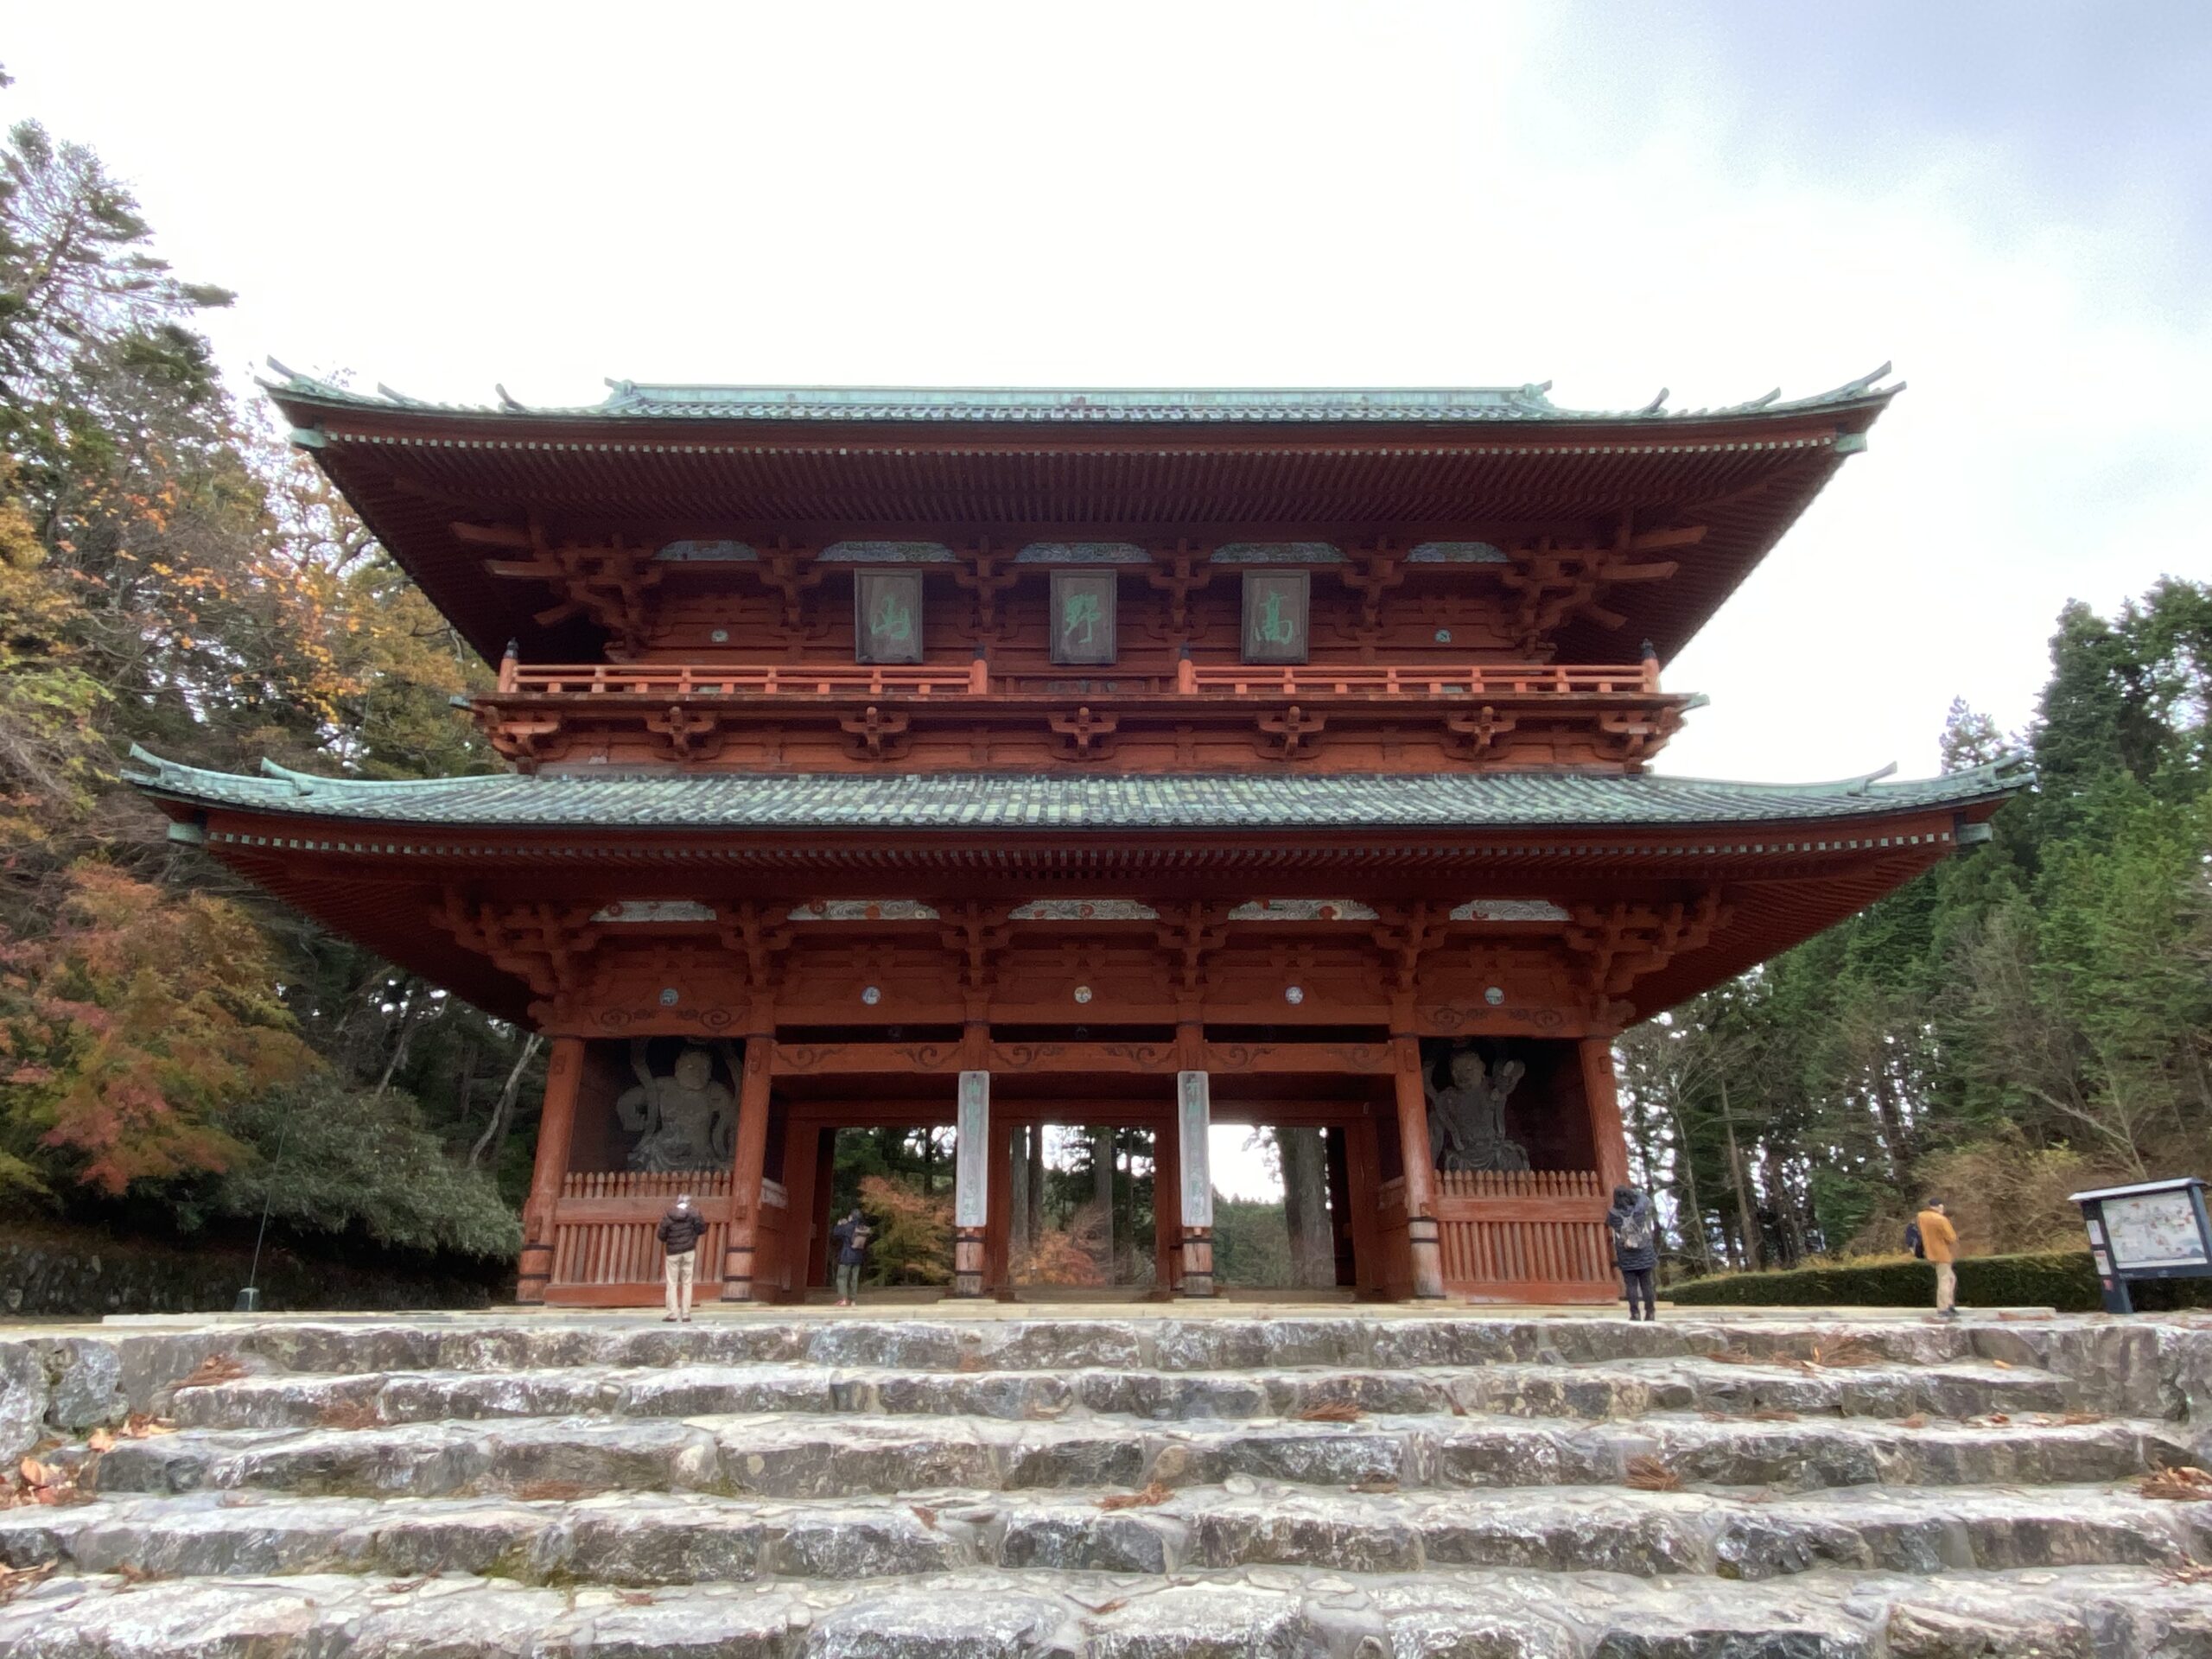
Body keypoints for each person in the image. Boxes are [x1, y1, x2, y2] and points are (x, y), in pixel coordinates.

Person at [1605, 1183, 1658, 1322]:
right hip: (1644, 1251)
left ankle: (1635, 1314)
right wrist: (1633, 1194)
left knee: (1631, 1285)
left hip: (1626, 1252)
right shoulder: (1639, 1210)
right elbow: (1644, 1198)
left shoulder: (1613, 1213)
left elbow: (1609, 1223)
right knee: (1646, 1284)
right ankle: (1650, 1313)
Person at [656, 1193, 707, 1323]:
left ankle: (672, 1314)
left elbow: (661, 1235)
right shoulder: (695, 1213)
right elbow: (701, 1229)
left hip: (673, 1252)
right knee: (687, 1282)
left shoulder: (668, 1215)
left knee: (672, 1283)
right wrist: (692, 1235)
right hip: (689, 1251)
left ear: (677, 1202)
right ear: (689, 1203)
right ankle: (686, 1314)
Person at [1916, 1198, 1961, 1319]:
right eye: (1942, 1208)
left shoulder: (1922, 1217)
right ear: (1939, 1207)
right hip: (1942, 1253)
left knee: (1951, 1278)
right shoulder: (1941, 1219)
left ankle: (1949, 1304)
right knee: (1945, 1280)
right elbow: (1951, 1238)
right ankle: (1943, 1307)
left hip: (1930, 1252)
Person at [830, 1206, 873, 1306]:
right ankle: (853, 1300)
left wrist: (840, 1224)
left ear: (851, 1217)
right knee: (854, 1278)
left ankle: (843, 1299)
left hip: (847, 1256)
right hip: (858, 1257)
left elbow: (836, 1232)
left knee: (842, 1277)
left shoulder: (847, 1226)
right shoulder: (863, 1228)